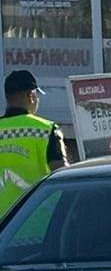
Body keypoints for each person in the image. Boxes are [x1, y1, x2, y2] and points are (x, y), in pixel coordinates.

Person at [0, 69, 68, 220]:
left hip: (4, 232)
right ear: (30, 96)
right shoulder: (47, 130)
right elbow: (64, 176)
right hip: (39, 225)